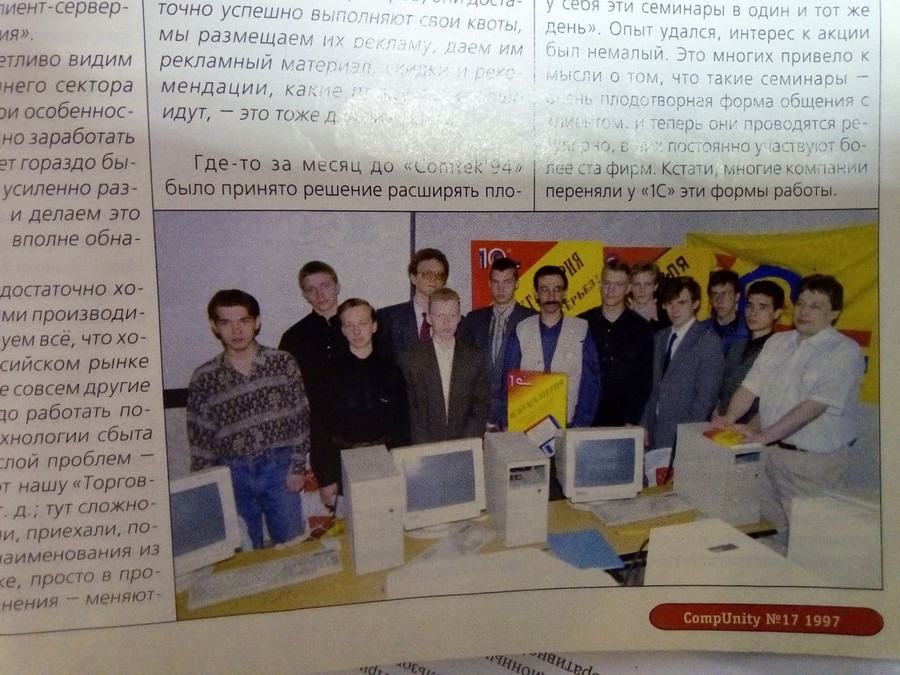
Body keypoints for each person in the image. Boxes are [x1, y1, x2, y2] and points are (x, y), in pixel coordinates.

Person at [713, 274, 865, 554]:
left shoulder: (844, 352)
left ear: (834, 313)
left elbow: (811, 408)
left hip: (812, 466)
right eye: (801, 303)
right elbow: (750, 388)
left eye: (816, 306)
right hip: (771, 457)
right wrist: (729, 418)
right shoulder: (778, 342)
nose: (804, 311)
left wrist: (762, 436)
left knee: (813, 546)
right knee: (769, 536)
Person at [187, 289, 309, 549]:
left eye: (243, 320)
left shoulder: (282, 362)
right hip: (232, 474)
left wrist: (298, 466)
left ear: (257, 322)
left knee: (293, 546)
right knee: (242, 552)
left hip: (279, 469)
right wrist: (207, 486)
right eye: (226, 322)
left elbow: (299, 415)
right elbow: (200, 440)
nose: (236, 330)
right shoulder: (204, 377)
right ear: (214, 326)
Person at [313, 298, 410, 508]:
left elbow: (403, 426)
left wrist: (403, 468)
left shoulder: (391, 372)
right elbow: (319, 428)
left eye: (363, 323)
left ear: (374, 326)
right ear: (342, 330)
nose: (357, 331)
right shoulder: (328, 374)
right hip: (343, 465)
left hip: (386, 462)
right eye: (349, 325)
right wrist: (325, 478)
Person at [494, 265, 601, 430]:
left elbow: (590, 384)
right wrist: (507, 422)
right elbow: (508, 380)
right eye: (544, 289)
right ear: (536, 294)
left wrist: (579, 427)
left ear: (564, 293)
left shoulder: (581, 330)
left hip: (569, 426)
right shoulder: (521, 330)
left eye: (557, 289)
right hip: (526, 426)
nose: (551, 296)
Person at [277, 260, 349, 503]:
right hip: (317, 439)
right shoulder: (293, 338)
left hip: (360, 435)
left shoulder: (359, 326)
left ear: (337, 286)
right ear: (304, 294)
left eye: (325, 285)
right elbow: (287, 399)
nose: (320, 294)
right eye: (311, 289)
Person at [641, 276, 724, 450]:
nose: (675, 309)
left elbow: (705, 399)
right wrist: (644, 425)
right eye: (670, 303)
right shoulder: (659, 337)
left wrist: (686, 437)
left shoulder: (709, 342)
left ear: (696, 304)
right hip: (652, 431)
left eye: (681, 303)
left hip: (683, 435)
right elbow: (648, 387)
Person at [398, 288, 489, 444]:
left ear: (459, 318)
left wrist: (467, 443)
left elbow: (480, 405)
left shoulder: (474, 357)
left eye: (452, 315)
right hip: (423, 445)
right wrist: (424, 446)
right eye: (440, 316)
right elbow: (410, 409)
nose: (446, 322)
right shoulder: (410, 359)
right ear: (428, 318)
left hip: (465, 444)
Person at [457, 256, 536, 425]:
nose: (501, 288)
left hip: (520, 409)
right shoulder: (472, 321)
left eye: (507, 282)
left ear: (517, 283)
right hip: (479, 414)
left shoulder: (532, 320)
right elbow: (462, 368)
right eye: (496, 282)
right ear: (489, 284)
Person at [578, 259, 654, 427]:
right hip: (583, 418)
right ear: (600, 284)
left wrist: (632, 420)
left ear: (628, 288)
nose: (610, 290)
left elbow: (644, 380)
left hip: (622, 419)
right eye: (607, 283)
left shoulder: (641, 328)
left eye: (618, 285)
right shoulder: (581, 323)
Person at [715, 280, 785, 422]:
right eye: (749, 305)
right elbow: (721, 387)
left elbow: (773, 402)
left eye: (762, 307)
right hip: (721, 421)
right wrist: (716, 411)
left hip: (752, 427)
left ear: (777, 313)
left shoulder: (779, 352)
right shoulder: (736, 346)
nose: (753, 313)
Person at [376, 248, 449, 364]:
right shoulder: (387, 318)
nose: (433, 279)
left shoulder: (455, 322)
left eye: (439, 275)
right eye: (427, 274)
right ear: (413, 278)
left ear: (444, 281)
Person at [700, 269, 749, 353]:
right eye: (715, 294)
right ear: (710, 299)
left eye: (725, 294)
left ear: (737, 297)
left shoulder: (749, 331)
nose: (720, 300)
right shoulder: (698, 331)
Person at [628, 261, 671, 331]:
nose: (642, 289)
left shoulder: (669, 319)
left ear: (655, 286)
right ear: (630, 287)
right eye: (637, 284)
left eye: (647, 284)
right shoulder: (618, 321)